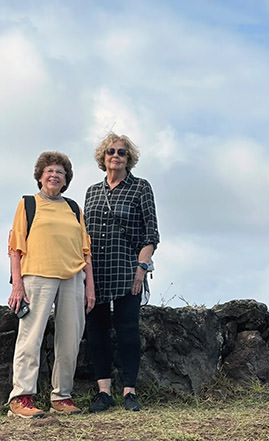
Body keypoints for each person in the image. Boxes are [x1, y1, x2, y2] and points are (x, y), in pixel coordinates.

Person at [7, 151, 95, 419]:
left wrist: (89, 287)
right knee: (30, 338)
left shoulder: (73, 208)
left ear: (66, 179)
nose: (55, 175)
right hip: (37, 276)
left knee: (70, 340)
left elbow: (85, 250)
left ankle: (62, 397)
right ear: (40, 176)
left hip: (73, 278)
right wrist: (17, 286)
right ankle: (21, 398)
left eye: (60, 172)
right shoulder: (28, 204)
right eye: (50, 171)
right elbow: (15, 248)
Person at [85, 133, 159, 412]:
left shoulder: (140, 188)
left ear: (129, 159)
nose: (115, 156)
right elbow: (85, 236)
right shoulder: (92, 191)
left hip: (128, 270)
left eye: (121, 153)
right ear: (103, 158)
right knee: (97, 332)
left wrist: (141, 268)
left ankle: (130, 390)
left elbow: (151, 233)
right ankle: (104, 392)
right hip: (96, 273)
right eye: (110, 152)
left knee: (128, 331)